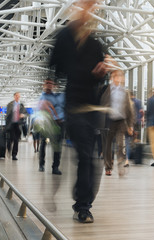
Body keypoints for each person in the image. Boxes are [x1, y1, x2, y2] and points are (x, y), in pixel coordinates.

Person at [50, 0, 111, 223]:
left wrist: (100, 72)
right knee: (85, 154)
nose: (89, 11)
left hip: (92, 107)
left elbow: (100, 75)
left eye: (92, 7)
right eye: (86, 5)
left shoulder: (95, 44)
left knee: (91, 159)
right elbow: (55, 69)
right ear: (76, 8)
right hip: (74, 106)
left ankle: (83, 201)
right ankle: (82, 205)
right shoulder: (64, 37)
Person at [100, 69, 134, 176]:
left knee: (121, 144)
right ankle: (108, 167)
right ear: (111, 78)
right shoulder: (106, 90)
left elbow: (129, 109)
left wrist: (130, 125)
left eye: (120, 76)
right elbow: (101, 104)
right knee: (107, 145)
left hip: (121, 121)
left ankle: (120, 166)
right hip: (109, 121)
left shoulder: (124, 91)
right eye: (116, 76)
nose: (118, 77)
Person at [37, 78, 65, 175]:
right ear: (44, 85)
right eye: (47, 83)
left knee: (57, 146)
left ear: (53, 85)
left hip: (58, 124)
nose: (49, 85)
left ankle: (55, 167)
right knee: (43, 144)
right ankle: (41, 164)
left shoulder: (58, 97)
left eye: (51, 83)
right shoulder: (42, 97)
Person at [6, 92, 28, 160]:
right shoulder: (10, 104)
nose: (18, 97)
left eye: (19, 96)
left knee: (16, 140)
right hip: (11, 124)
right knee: (11, 139)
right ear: (14, 96)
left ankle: (14, 155)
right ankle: (8, 149)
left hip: (18, 124)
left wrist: (23, 115)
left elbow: (26, 113)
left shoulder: (21, 105)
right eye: (16, 96)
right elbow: (7, 115)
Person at [125, 91, 144, 164]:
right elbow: (142, 112)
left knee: (128, 140)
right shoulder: (139, 101)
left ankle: (129, 157)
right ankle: (137, 156)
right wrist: (142, 120)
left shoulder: (128, 102)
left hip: (130, 123)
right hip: (138, 122)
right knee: (136, 139)